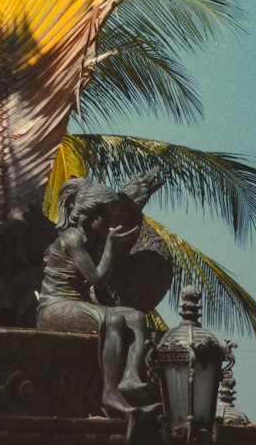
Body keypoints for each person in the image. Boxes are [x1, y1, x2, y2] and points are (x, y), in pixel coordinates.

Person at [37, 178, 153, 418]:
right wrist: (111, 245)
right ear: (88, 216)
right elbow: (97, 277)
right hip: (55, 307)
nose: (111, 224)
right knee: (113, 321)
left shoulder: (92, 242)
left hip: (76, 305)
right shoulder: (72, 238)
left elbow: (101, 291)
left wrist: (117, 307)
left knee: (135, 317)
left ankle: (130, 377)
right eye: (106, 218)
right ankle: (110, 394)